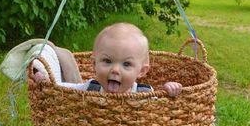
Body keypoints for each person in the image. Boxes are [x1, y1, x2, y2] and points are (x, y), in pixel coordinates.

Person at [33, 22, 182, 97]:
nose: (115, 70)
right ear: (94, 64)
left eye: (126, 64)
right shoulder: (92, 88)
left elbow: (162, 111)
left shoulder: (144, 93)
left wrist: (169, 90)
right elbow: (63, 89)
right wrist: (46, 81)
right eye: (107, 61)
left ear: (141, 71)